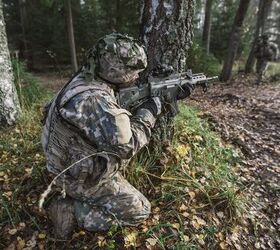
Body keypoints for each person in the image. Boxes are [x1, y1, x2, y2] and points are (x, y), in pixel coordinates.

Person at [41, 33, 193, 238]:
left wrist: (156, 86)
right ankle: (71, 211)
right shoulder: (95, 100)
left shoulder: (87, 77)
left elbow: (114, 107)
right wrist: (151, 110)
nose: (137, 77)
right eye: (132, 72)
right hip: (73, 177)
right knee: (140, 210)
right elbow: (128, 145)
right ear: (114, 71)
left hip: (63, 160)